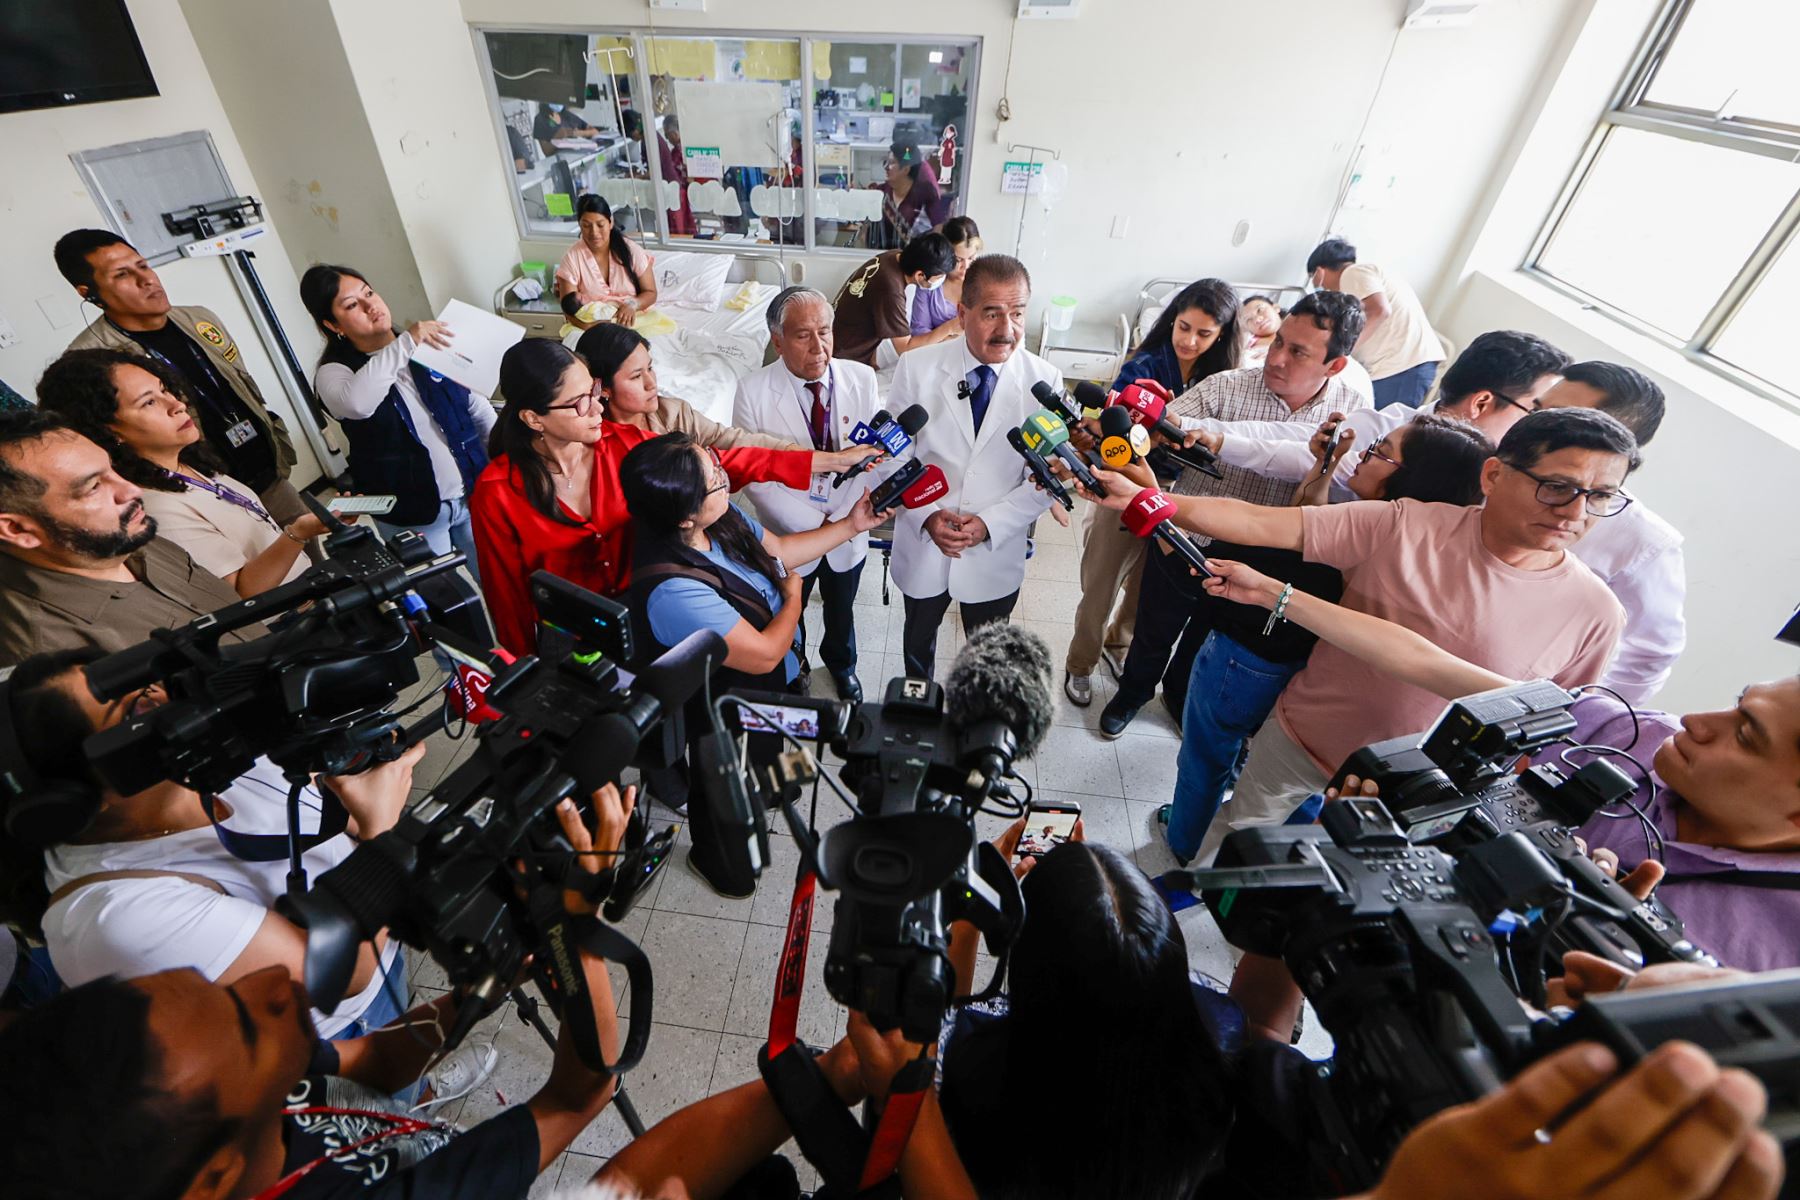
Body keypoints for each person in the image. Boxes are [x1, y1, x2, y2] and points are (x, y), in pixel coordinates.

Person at [0, 783, 637, 1200]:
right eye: (248, 1027)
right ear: (213, 1178)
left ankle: (419, 1108)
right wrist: (574, 932)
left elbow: (374, 1062)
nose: (275, 981)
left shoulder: (237, 1107)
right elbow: (578, 1093)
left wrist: (486, 988)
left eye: (220, 990)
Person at [1202, 557, 1800, 972]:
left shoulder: (1768, 965)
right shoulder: (1627, 736)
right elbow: (1430, 665)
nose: (1698, 720)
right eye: (1737, 702)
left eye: (1746, 736)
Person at [1088, 407, 1632, 862]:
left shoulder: (1595, 614)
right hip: (1304, 734)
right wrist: (1151, 500)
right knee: (1237, 836)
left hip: (1414, 789)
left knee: (1330, 885)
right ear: (1493, 476)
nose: (1577, 512)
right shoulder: (1406, 523)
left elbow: (1543, 733)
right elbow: (1259, 523)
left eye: (1602, 496)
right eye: (1557, 487)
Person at [1198, 345, 1684, 703]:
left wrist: (1573, 724)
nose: (1570, 514)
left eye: (1594, 497)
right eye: (1539, 411)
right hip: (1344, 685)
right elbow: (1273, 516)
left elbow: (1643, 662)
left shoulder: (1633, 560)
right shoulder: (1433, 512)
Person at [0, 647, 423, 1038]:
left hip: (376, 919)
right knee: (398, 1073)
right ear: (76, 802)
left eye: (141, 682)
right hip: (348, 1020)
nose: (170, 700)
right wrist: (381, 832)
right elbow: (345, 974)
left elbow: (306, 795)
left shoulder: (193, 760)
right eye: (139, 709)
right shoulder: (118, 919)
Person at [1157, 414, 1496, 864]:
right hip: (1316, 690)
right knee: (1285, 795)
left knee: (1208, 758)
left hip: (1248, 666)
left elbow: (1252, 536)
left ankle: (1184, 841)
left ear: (1413, 477)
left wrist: (1147, 492)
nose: (1365, 455)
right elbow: (1317, 521)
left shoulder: (1376, 534)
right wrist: (1325, 465)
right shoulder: (1426, 550)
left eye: (1380, 451)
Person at [469, 341, 867, 656]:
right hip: (576, 636)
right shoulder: (497, 494)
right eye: (580, 403)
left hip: (654, 610)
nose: (598, 407)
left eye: (593, 391)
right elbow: (507, 597)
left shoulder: (626, 446)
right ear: (534, 418)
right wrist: (521, 675)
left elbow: (723, 462)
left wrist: (824, 461)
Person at [620, 432, 888, 895]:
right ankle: (717, 864)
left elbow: (779, 552)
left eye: (717, 467)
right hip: (727, 707)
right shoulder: (673, 588)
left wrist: (852, 524)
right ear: (684, 514)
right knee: (722, 787)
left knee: (770, 758)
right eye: (715, 481)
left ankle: (770, 788)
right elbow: (763, 655)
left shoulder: (718, 517)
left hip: (769, 692)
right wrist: (794, 600)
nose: (726, 480)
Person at [1097, 290, 1370, 737]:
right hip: (1186, 539)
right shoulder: (1225, 387)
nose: (1277, 358)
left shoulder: (1352, 416)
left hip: (1257, 565)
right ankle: (1133, 692)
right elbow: (1161, 426)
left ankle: (1180, 697)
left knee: (1208, 639)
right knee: (1154, 627)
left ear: (1335, 365)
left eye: (1297, 352)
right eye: (1278, 341)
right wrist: (1155, 432)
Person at [1065, 279, 1243, 708]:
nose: (1190, 340)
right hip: (1125, 486)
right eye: (1184, 327)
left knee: (1147, 586)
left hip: (1179, 495)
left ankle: (1118, 644)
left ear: (1222, 335)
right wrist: (1145, 441)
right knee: (1102, 583)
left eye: (1204, 333)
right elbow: (1110, 433)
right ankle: (1080, 664)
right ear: (1172, 320)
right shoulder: (1143, 367)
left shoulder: (1222, 381)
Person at [54, 228, 308, 530]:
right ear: (89, 293)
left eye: (143, 265)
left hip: (268, 475)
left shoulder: (200, 319)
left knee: (320, 561)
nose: (146, 279)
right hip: (202, 499)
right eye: (122, 275)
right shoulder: (89, 362)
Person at [886, 255, 1062, 678]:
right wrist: (927, 517)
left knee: (986, 661)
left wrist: (990, 523)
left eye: (1017, 313)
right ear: (963, 314)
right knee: (917, 649)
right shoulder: (917, 367)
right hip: (926, 541)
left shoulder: (1045, 381)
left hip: (995, 548)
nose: (1007, 330)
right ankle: (920, 713)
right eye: (991, 313)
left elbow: (1045, 478)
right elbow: (893, 455)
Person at [34, 350, 328, 598]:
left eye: (165, 390)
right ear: (109, 430)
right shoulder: (155, 506)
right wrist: (298, 532)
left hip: (308, 592)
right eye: (149, 402)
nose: (176, 404)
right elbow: (241, 592)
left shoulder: (188, 463)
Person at [0, 410, 258, 664]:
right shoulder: (52, 656)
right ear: (18, 530)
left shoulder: (127, 539)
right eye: (94, 487)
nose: (131, 490)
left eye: (111, 469)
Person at [732, 287, 887, 702]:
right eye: (803, 335)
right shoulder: (752, 390)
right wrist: (817, 526)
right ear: (777, 340)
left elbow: (872, 456)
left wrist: (841, 522)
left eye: (825, 332)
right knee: (787, 607)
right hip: (791, 531)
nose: (819, 347)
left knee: (842, 607)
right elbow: (756, 478)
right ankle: (794, 666)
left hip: (848, 523)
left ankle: (842, 665)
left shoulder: (861, 378)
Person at [299, 265, 496, 575]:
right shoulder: (335, 373)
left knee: (498, 580)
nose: (370, 306)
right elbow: (358, 404)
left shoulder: (429, 346)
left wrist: (506, 463)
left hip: (471, 493)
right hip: (412, 510)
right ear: (332, 325)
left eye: (369, 293)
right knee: (443, 598)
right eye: (351, 305)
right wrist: (405, 343)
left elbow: (477, 409)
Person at [575, 322, 797, 452]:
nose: (652, 383)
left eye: (650, 368)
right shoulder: (588, 441)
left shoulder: (673, 413)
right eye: (635, 377)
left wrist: (797, 453)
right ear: (603, 388)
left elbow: (733, 439)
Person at [1306, 237, 1444, 410]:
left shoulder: (1353, 273)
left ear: (1318, 272)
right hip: (1403, 364)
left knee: (1380, 429)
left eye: (1313, 278)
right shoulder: (1364, 276)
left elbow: (1380, 310)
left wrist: (1343, 352)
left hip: (1401, 366)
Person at [831, 233, 958, 370]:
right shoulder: (891, 290)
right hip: (843, 358)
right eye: (939, 277)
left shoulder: (894, 256)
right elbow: (905, 349)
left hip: (842, 340)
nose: (940, 281)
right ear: (920, 275)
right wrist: (948, 328)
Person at [554, 194, 658, 330]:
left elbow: (650, 292)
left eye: (600, 225)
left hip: (632, 319)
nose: (594, 232)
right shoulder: (572, 258)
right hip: (589, 325)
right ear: (579, 225)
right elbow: (568, 308)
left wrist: (633, 305)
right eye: (586, 226)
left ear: (611, 222)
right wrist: (589, 327)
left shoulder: (631, 250)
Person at [911, 215, 980, 340]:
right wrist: (949, 330)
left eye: (971, 258)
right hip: (935, 354)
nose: (966, 266)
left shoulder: (984, 282)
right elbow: (919, 331)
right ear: (946, 254)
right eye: (958, 260)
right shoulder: (930, 283)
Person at [877, 136, 943, 248]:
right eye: (886, 162)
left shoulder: (926, 194)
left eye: (892, 163)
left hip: (915, 259)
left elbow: (938, 228)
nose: (886, 167)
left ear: (906, 169)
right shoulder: (881, 192)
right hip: (882, 257)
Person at [658, 113, 697, 236]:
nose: (667, 139)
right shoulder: (690, 145)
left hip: (683, 193)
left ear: (674, 134)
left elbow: (672, 175)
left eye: (667, 135)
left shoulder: (677, 152)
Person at [532, 98, 601, 154]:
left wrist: (576, 133)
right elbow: (546, 151)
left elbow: (595, 132)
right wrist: (557, 137)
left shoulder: (566, 114)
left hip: (580, 155)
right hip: (562, 160)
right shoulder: (540, 120)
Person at [1239, 294, 1283, 365]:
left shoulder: (1298, 334)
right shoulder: (1245, 345)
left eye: (1260, 310)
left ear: (1276, 308)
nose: (1257, 319)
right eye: (1249, 320)